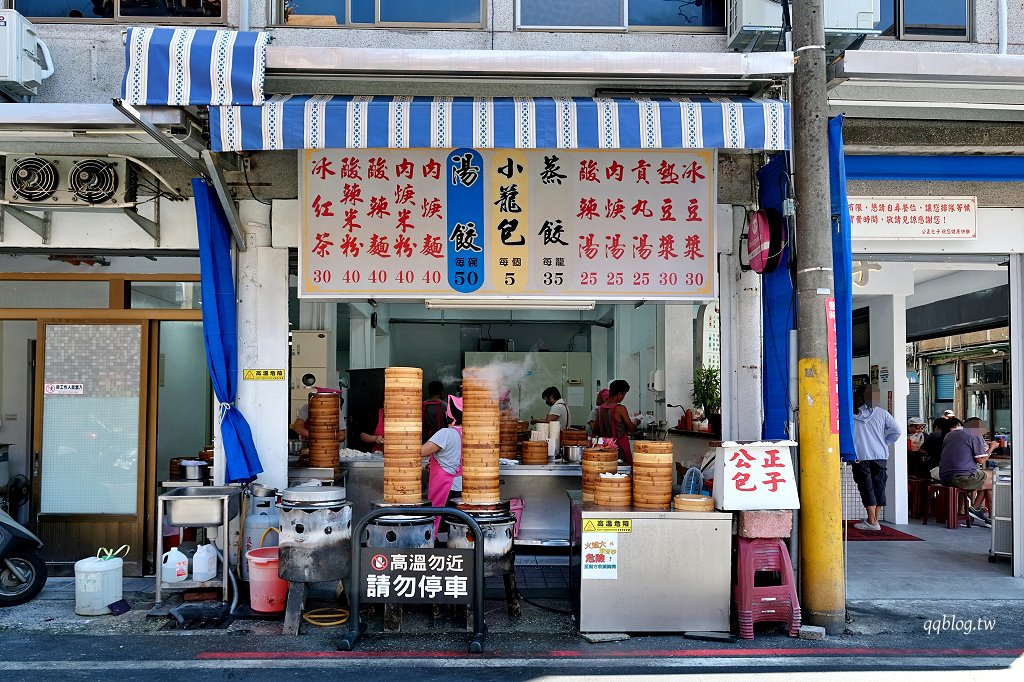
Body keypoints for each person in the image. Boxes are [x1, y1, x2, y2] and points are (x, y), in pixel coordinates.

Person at [851, 386, 901, 531]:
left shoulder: (850, 414)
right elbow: (896, 432)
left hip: (861, 455)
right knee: (879, 486)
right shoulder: (882, 413)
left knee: (866, 487)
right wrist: (884, 443)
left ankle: (872, 521)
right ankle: (874, 520)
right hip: (880, 456)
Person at [940, 417, 998, 525]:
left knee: (987, 481)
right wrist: (992, 447)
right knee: (994, 477)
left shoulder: (950, 435)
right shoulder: (974, 434)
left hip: (944, 477)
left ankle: (978, 511)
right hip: (962, 478)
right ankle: (982, 513)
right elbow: (980, 460)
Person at [421, 396, 464, 535]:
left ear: (450, 415)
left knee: (438, 522)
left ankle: (437, 551)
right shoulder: (469, 433)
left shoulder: (446, 433)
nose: (445, 413)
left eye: (447, 411)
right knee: (455, 526)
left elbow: (421, 452)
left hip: (446, 487)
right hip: (462, 486)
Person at [594, 379, 640, 465]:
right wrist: (636, 422)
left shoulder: (600, 409)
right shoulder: (620, 408)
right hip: (620, 448)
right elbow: (631, 428)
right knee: (624, 473)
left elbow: (595, 430)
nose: (623, 397)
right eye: (624, 394)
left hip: (605, 448)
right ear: (619, 394)